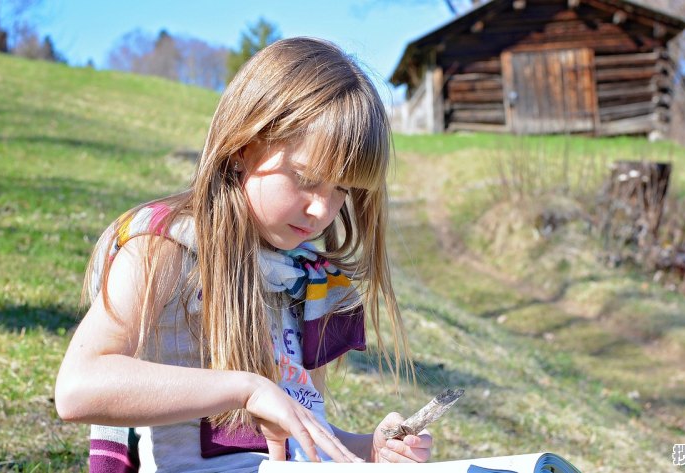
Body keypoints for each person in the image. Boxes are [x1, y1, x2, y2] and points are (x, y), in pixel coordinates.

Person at [55, 37, 433, 472]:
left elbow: (297, 441)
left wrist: (370, 450)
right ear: (243, 146)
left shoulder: (306, 280)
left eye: (342, 190)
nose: (322, 210)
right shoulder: (166, 246)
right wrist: (245, 389)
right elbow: (78, 387)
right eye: (307, 178)